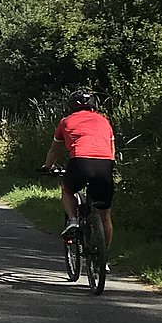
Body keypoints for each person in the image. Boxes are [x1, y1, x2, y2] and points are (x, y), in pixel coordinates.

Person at [42, 88, 116, 251]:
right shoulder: (104, 121)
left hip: (80, 161)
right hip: (105, 164)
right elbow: (112, 149)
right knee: (105, 216)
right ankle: (103, 259)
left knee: (67, 190)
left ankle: (73, 219)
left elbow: (54, 150)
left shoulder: (66, 121)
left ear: (71, 106)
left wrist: (47, 168)